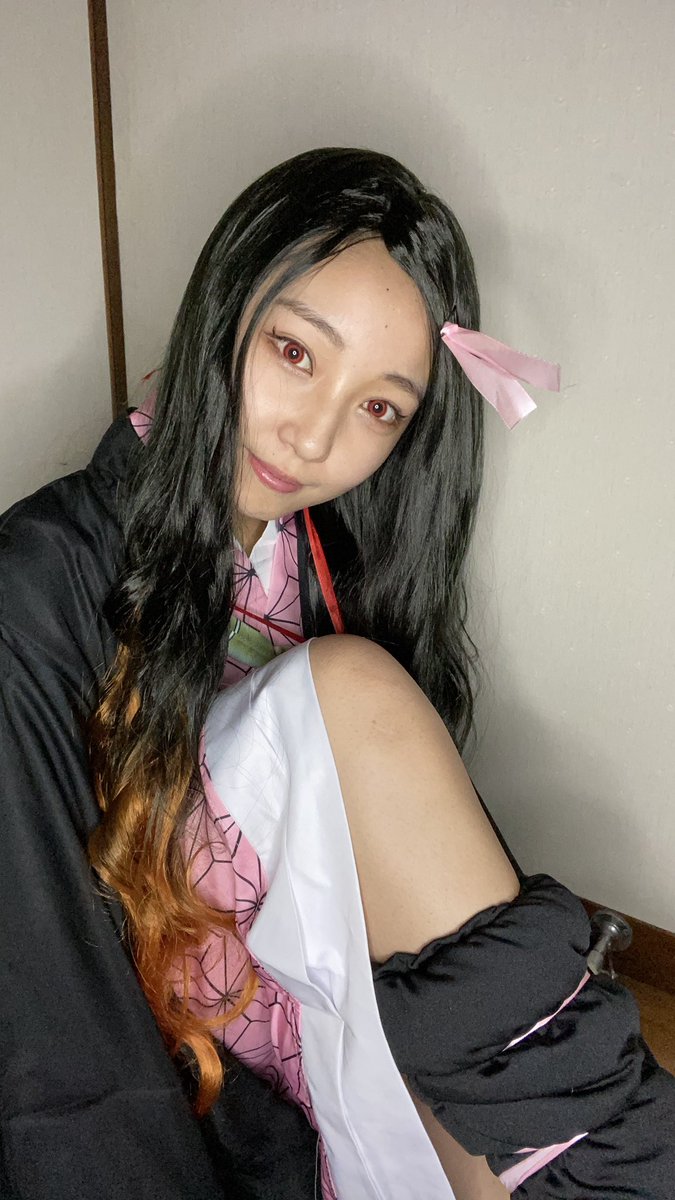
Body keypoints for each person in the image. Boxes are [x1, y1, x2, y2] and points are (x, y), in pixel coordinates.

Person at [1, 147, 672, 1200]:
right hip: (207, 1083)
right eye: (294, 352)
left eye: (379, 409)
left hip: (324, 1028)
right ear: (224, 308)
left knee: (498, 1110)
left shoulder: (321, 568)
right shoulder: (37, 579)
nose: (313, 438)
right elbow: (48, 988)